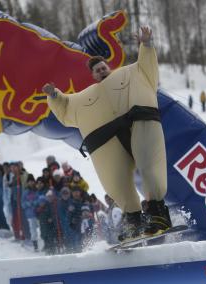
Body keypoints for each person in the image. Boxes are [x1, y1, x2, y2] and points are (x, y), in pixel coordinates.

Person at [42, 26, 171, 242]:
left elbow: (147, 68)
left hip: (138, 124)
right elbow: (65, 106)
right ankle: (133, 221)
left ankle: (158, 214)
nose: (101, 71)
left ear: (108, 67)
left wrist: (146, 45)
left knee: (149, 165)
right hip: (108, 140)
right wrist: (54, 95)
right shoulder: (85, 97)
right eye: (97, 70)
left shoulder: (130, 74)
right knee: (116, 181)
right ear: (92, 75)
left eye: (103, 68)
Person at [21, 174, 39, 251]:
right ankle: (35, 245)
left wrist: (34, 203)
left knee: (39, 228)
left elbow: (39, 199)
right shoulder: (25, 191)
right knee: (33, 229)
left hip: (38, 213)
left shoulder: (37, 191)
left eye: (32, 181)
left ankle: (41, 242)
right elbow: (22, 203)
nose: (31, 183)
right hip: (30, 214)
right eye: (29, 182)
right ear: (27, 183)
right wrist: (28, 204)